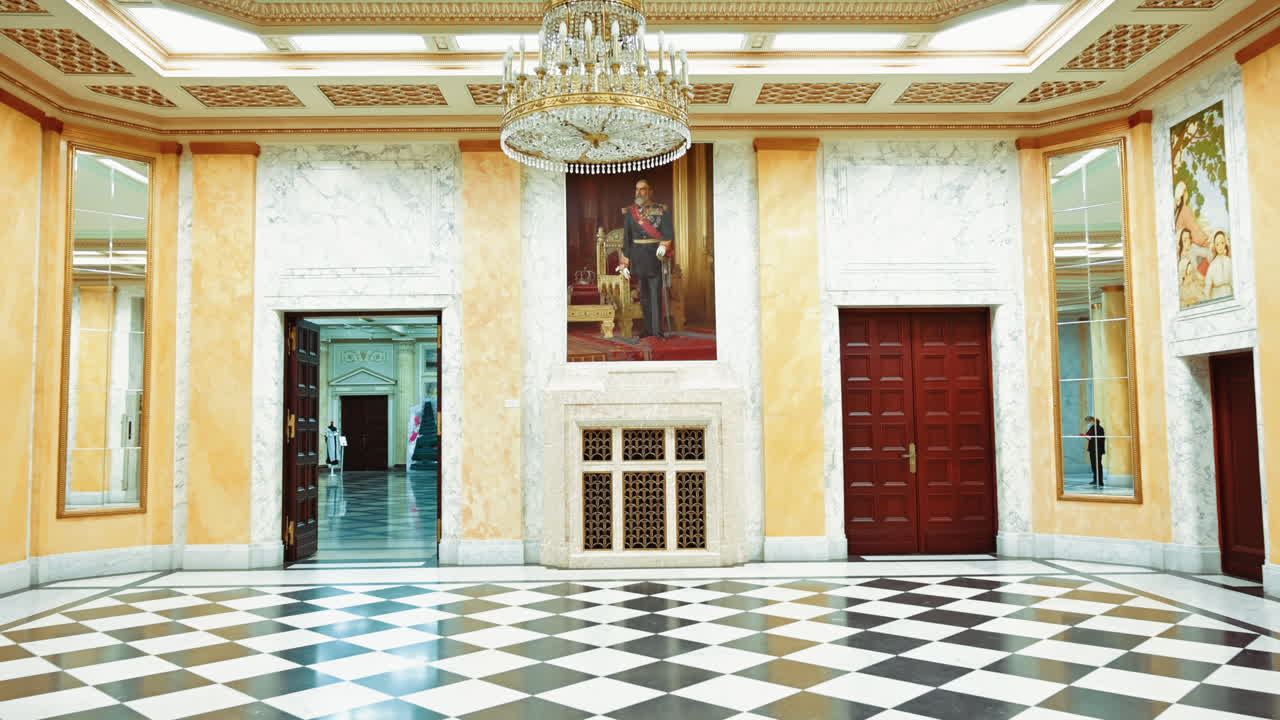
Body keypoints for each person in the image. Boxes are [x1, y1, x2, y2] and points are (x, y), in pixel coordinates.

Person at [618, 178, 674, 339]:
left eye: (642, 189)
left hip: (655, 256)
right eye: (637, 189)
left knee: (655, 295)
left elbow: (668, 232)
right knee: (644, 297)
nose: (639, 192)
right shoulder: (630, 212)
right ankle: (647, 329)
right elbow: (627, 239)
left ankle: (657, 331)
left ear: (650, 191)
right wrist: (624, 263)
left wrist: (664, 246)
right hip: (638, 257)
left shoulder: (661, 210)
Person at [1177, 227, 1209, 306]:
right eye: (1185, 240)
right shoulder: (1177, 258)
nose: (1188, 242)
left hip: (1196, 284)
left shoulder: (1193, 248)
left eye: (1189, 238)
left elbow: (1207, 252)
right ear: (1180, 242)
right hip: (1184, 288)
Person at [1203, 230, 1232, 300]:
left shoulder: (1229, 261)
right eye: (1217, 244)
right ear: (1214, 246)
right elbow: (1207, 287)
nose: (1220, 246)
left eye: (1222, 243)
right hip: (1217, 297)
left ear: (1225, 243)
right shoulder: (1213, 265)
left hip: (1229, 294)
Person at [1082, 416, 1106, 487]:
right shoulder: (1093, 428)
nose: (1087, 423)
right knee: (1094, 465)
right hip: (1093, 449)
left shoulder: (1098, 428)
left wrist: (1088, 437)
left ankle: (1100, 481)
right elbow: (1090, 436)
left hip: (1097, 449)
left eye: (1088, 422)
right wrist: (1087, 436)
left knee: (1097, 465)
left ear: (1092, 421)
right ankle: (1096, 480)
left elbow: (1098, 439)